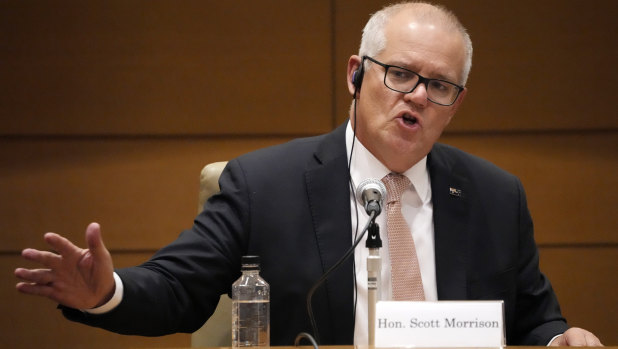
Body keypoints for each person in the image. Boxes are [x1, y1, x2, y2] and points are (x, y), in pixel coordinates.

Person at [14, 1, 602, 346]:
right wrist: (106, 293)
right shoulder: (263, 185)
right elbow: (177, 290)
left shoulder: (496, 196)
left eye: (439, 85)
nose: (417, 97)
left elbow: (534, 319)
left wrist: (561, 338)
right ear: (355, 74)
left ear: (457, 102)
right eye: (399, 73)